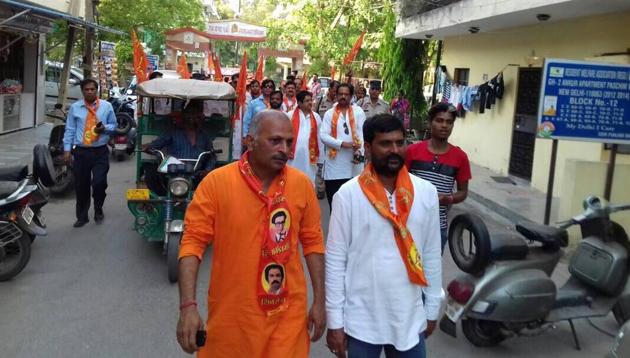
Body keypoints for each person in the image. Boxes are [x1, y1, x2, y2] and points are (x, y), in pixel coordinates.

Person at [176, 110, 326, 357]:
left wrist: (320, 301)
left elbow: (313, 244)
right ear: (250, 141)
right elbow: (192, 244)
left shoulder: (301, 186)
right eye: (275, 140)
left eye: (289, 142)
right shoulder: (216, 183)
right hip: (233, 318)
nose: (285, 149)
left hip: (287, 315)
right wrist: (188, 307)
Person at [326, 113, 443, 358]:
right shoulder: (348, 196)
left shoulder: (426, 193)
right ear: (368, 148)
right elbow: (336, 262)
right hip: (360, 320)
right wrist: (335, 320)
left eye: (400, 143)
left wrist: (432, 308)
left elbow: (431, 254)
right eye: (385, 144)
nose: (395, 150)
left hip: (409, 317)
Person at [405, 103, 471, 253]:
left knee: (430, 273)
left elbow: (463, 192)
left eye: (449, 122)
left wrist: (447, 199)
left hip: (437, 228)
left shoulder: (460, 157)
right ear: (429, 123)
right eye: (439, 121)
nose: (444, 126)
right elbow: (398, 184)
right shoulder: (412, 151)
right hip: (409, 225)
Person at [63, 79, 117, 227]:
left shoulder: (107, 106)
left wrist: (104, 128)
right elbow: (70, 130)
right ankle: (82, 216)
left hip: (100, 151)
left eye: (92, 89)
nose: (89, 92)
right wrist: (67, 151)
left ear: (97, 90)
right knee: (81, 186)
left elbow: (114, 126)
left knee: (99, 183)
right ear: (82, 91)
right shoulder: (75, 108)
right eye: (86, 90)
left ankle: (98, 208)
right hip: (81, 152)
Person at [320, 83, 366, 208]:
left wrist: (359, 152)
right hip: (334, 166)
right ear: (336, 95)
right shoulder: (330, 113)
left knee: (353, 206)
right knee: (335, 204)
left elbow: (362, 134)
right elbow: (323, 135)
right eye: (340, 94)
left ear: (351, 96)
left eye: (346, 94)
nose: (343, 96)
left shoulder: (358, 112)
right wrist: (343, 144)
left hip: (354, 166)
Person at [143, 103, 213, 160]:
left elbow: (211, 155)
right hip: (174, 172)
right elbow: (157, 144)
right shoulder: (172, 132)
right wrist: (147, 147)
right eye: (189, 113)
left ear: (201, 117)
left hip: (197, 173)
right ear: (184, 115)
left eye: (195, 114)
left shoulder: (204, 136)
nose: (192, 117)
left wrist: (206, 170)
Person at [287, 90, 323, 184]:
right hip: (293, 156)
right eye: (307, 101)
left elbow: (320, 137)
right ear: (299, 103)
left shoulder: (316, 117)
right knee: (291, 180)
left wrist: (321, 158)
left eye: (311, 100)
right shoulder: (290, 115)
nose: (310, 103)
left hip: (309, 156)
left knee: (308, 179)